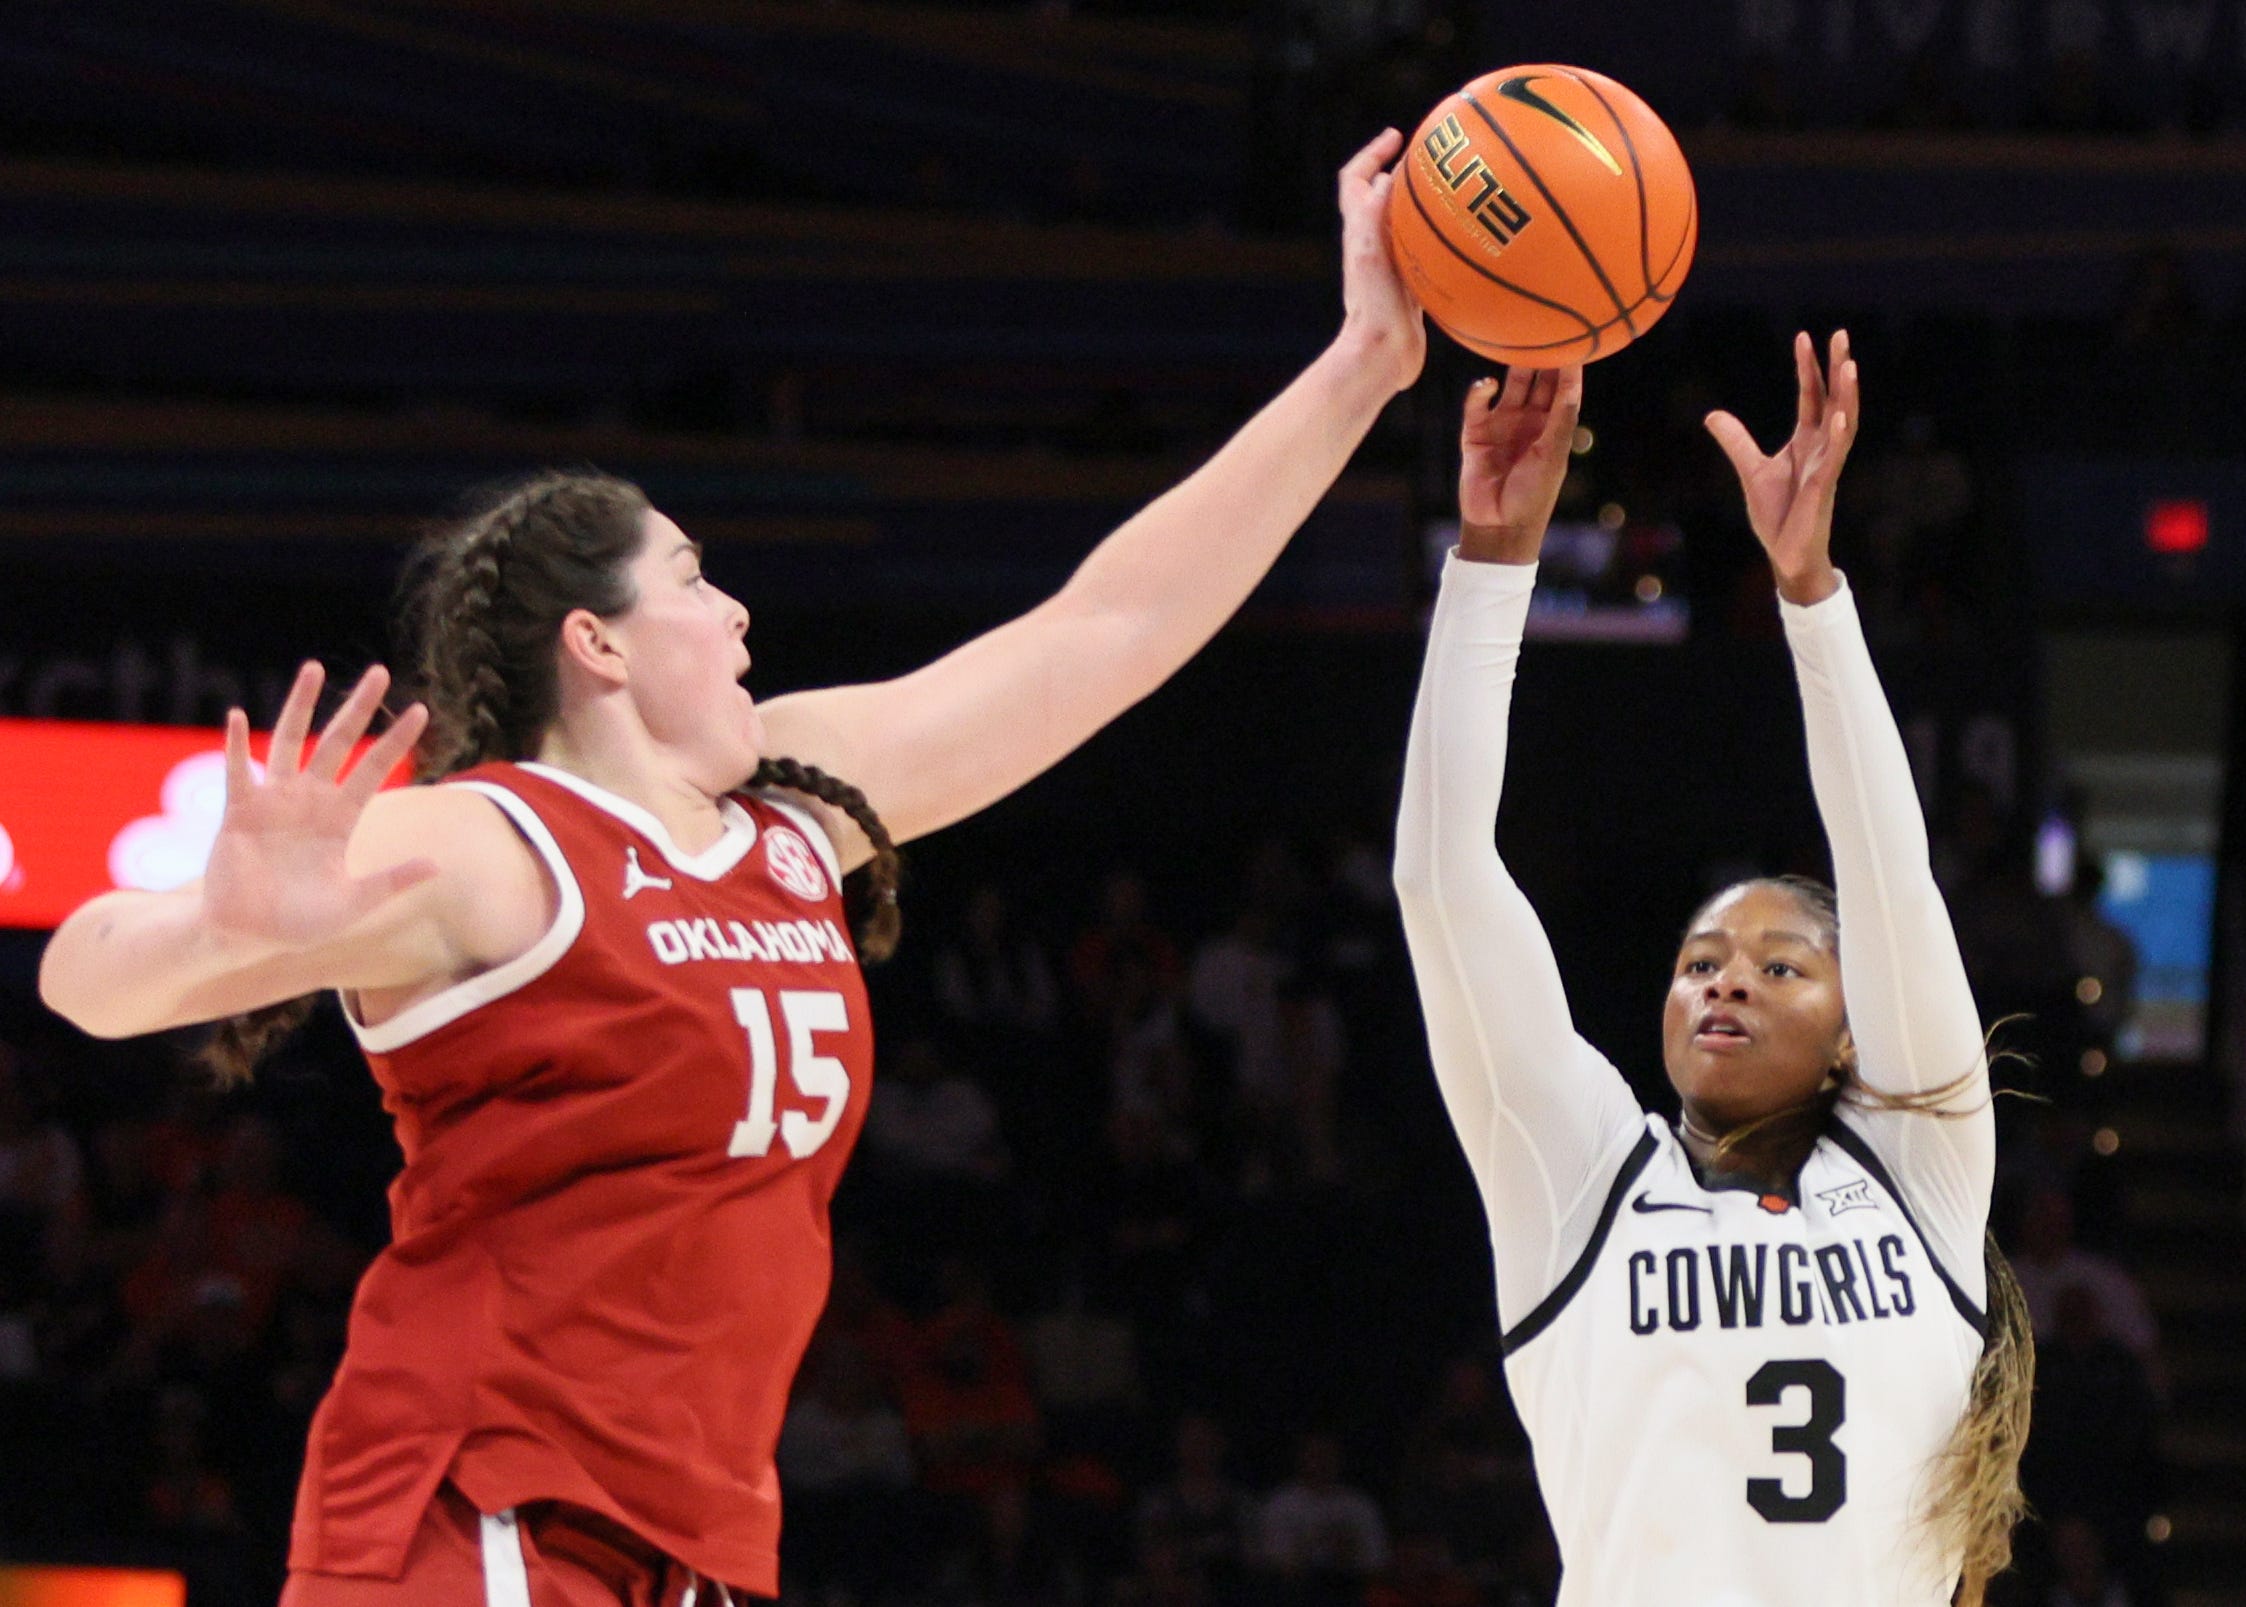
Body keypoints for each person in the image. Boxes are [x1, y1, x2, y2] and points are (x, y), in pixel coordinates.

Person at [36, 130, 1425, 1607]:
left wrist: (1361, 368)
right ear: (602, 643)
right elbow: (84, 974)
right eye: (696, 578)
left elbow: (1108, 632)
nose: (741, 609)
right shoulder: (492, 841)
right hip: (476, 1513)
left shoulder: (795, 814)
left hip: (689, 1540)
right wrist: (219, 927)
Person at [1392, 336, 2033, 1607]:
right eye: (1699, 962)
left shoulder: (1925, 1172)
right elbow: (1442, 880)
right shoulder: (1582, 1184)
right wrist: (1493, 567)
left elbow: (1890, 875)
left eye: (1781, 962)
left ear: (1856, 1031)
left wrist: (1813, 593)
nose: (1724, 982)